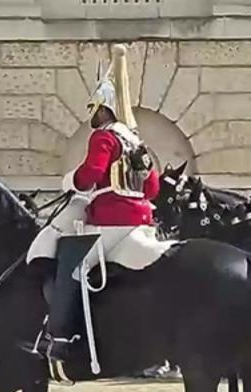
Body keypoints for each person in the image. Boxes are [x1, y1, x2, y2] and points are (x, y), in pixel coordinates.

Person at [29, 44, 160, 361]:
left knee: (70, 265)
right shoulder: (135, 141)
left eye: (95, 108)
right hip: (143, 220)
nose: (92, 114)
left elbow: (91, 175)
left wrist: (72, 179)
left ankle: (59, 338)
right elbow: (153, 188)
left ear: (105, 109)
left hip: (111, 219)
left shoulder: (104, 136)